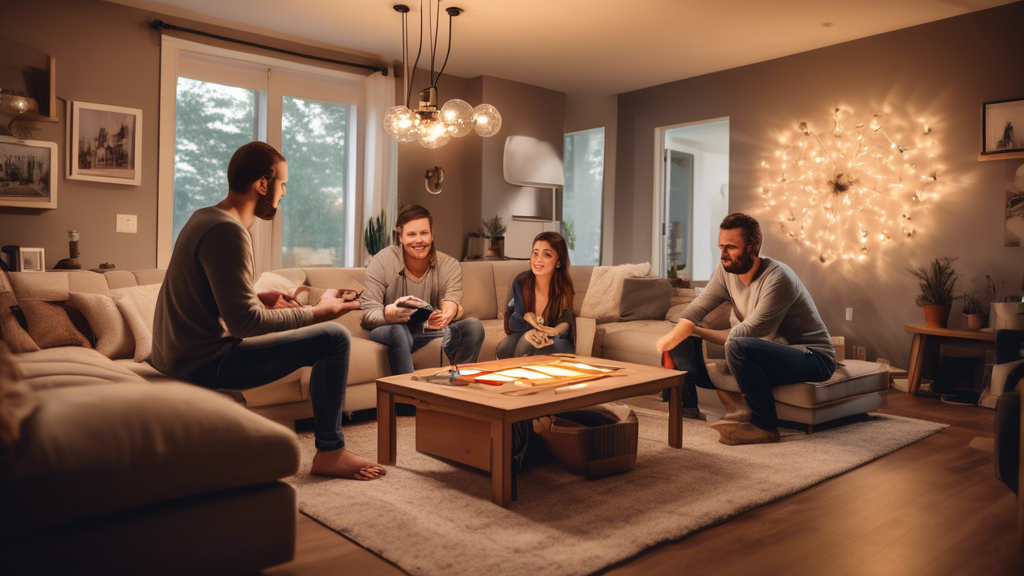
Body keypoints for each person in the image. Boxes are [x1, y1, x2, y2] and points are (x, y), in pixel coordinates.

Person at [152, 141, 385, 481]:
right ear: (263, 184)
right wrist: (320, 311)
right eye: (282, 183)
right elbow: (245, 323)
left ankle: (331, 450)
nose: (284, 192)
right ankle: (331, 453)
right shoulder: (227, 231)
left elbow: (208, 296)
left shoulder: (206, 217)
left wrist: (258, 297)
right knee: (334, 337)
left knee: (326, 335)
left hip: (180, 355)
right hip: (201, 364)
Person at [656, 213, 837, 446]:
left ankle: (765, 426)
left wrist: (695, 330)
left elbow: (751, 334)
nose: (722, 254)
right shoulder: (725, 273)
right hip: (764, 350)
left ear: (753, 248)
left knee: (736, 344)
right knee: (682, 329)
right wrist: (683, 331)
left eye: (731, 247)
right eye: (721, 246)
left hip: (812, 356)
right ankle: (687, 408)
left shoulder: (778, 278)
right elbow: (695, 310)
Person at [361, 204, 485, 375]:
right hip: (390, 329)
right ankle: (405, 397)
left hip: (425, 330)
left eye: (424, 233)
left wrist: (447, 314)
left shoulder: (450, 264)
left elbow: (452, 301)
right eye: (411, 234)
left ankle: (458, 386)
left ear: (432, 236)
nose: (419, 240)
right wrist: (388, 313)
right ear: (401, 237)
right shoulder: (381, 261)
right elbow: (368, 314)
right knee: (398, 330)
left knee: (473, 326)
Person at [496, 231, 575, 359]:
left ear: (558, 263)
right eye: (535, 253)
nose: (538, 259)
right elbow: (511, 323)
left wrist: (555, 330)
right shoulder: (520, 281)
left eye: (547, 255)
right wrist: (529, 320)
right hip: (521, 334)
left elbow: (567, 318)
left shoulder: (564, 288)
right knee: (509, 347)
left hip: (552, 339)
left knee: (534, 345)